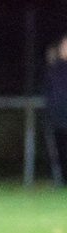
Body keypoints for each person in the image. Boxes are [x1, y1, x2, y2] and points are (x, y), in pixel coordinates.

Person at [43, 34, 67, 187]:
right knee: (61, 150)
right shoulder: (54, 68)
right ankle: (63, 180)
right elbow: (49, 91)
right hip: (59, 116)